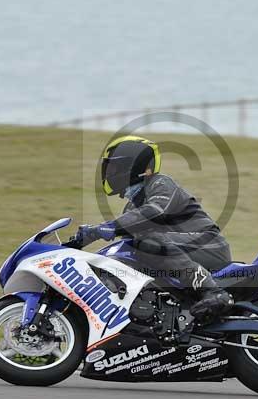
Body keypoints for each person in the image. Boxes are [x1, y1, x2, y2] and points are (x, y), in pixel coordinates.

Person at [75, 135, 234, 321]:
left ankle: (213, 292)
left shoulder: (160, 183)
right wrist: (84, 241)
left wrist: (109, 226)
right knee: (121, 255)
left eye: (115, 168)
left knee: (149, 243)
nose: (109, 173)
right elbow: (127, 237)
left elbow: (154, 211)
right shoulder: (132, 206)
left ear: (134, 166)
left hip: (209, 246)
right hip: (182, 252)